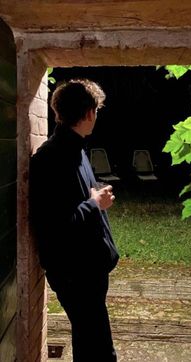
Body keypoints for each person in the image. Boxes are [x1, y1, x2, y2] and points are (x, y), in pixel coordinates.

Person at [29, 79, 119, 362]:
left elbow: (71, 201)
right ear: (90, 112)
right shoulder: (51, 157)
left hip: (86, 268)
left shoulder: (73, 148)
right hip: (75, 273)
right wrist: (95, 203)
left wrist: (93, 197)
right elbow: (54, 225)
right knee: (100, 350)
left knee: (88, 342)